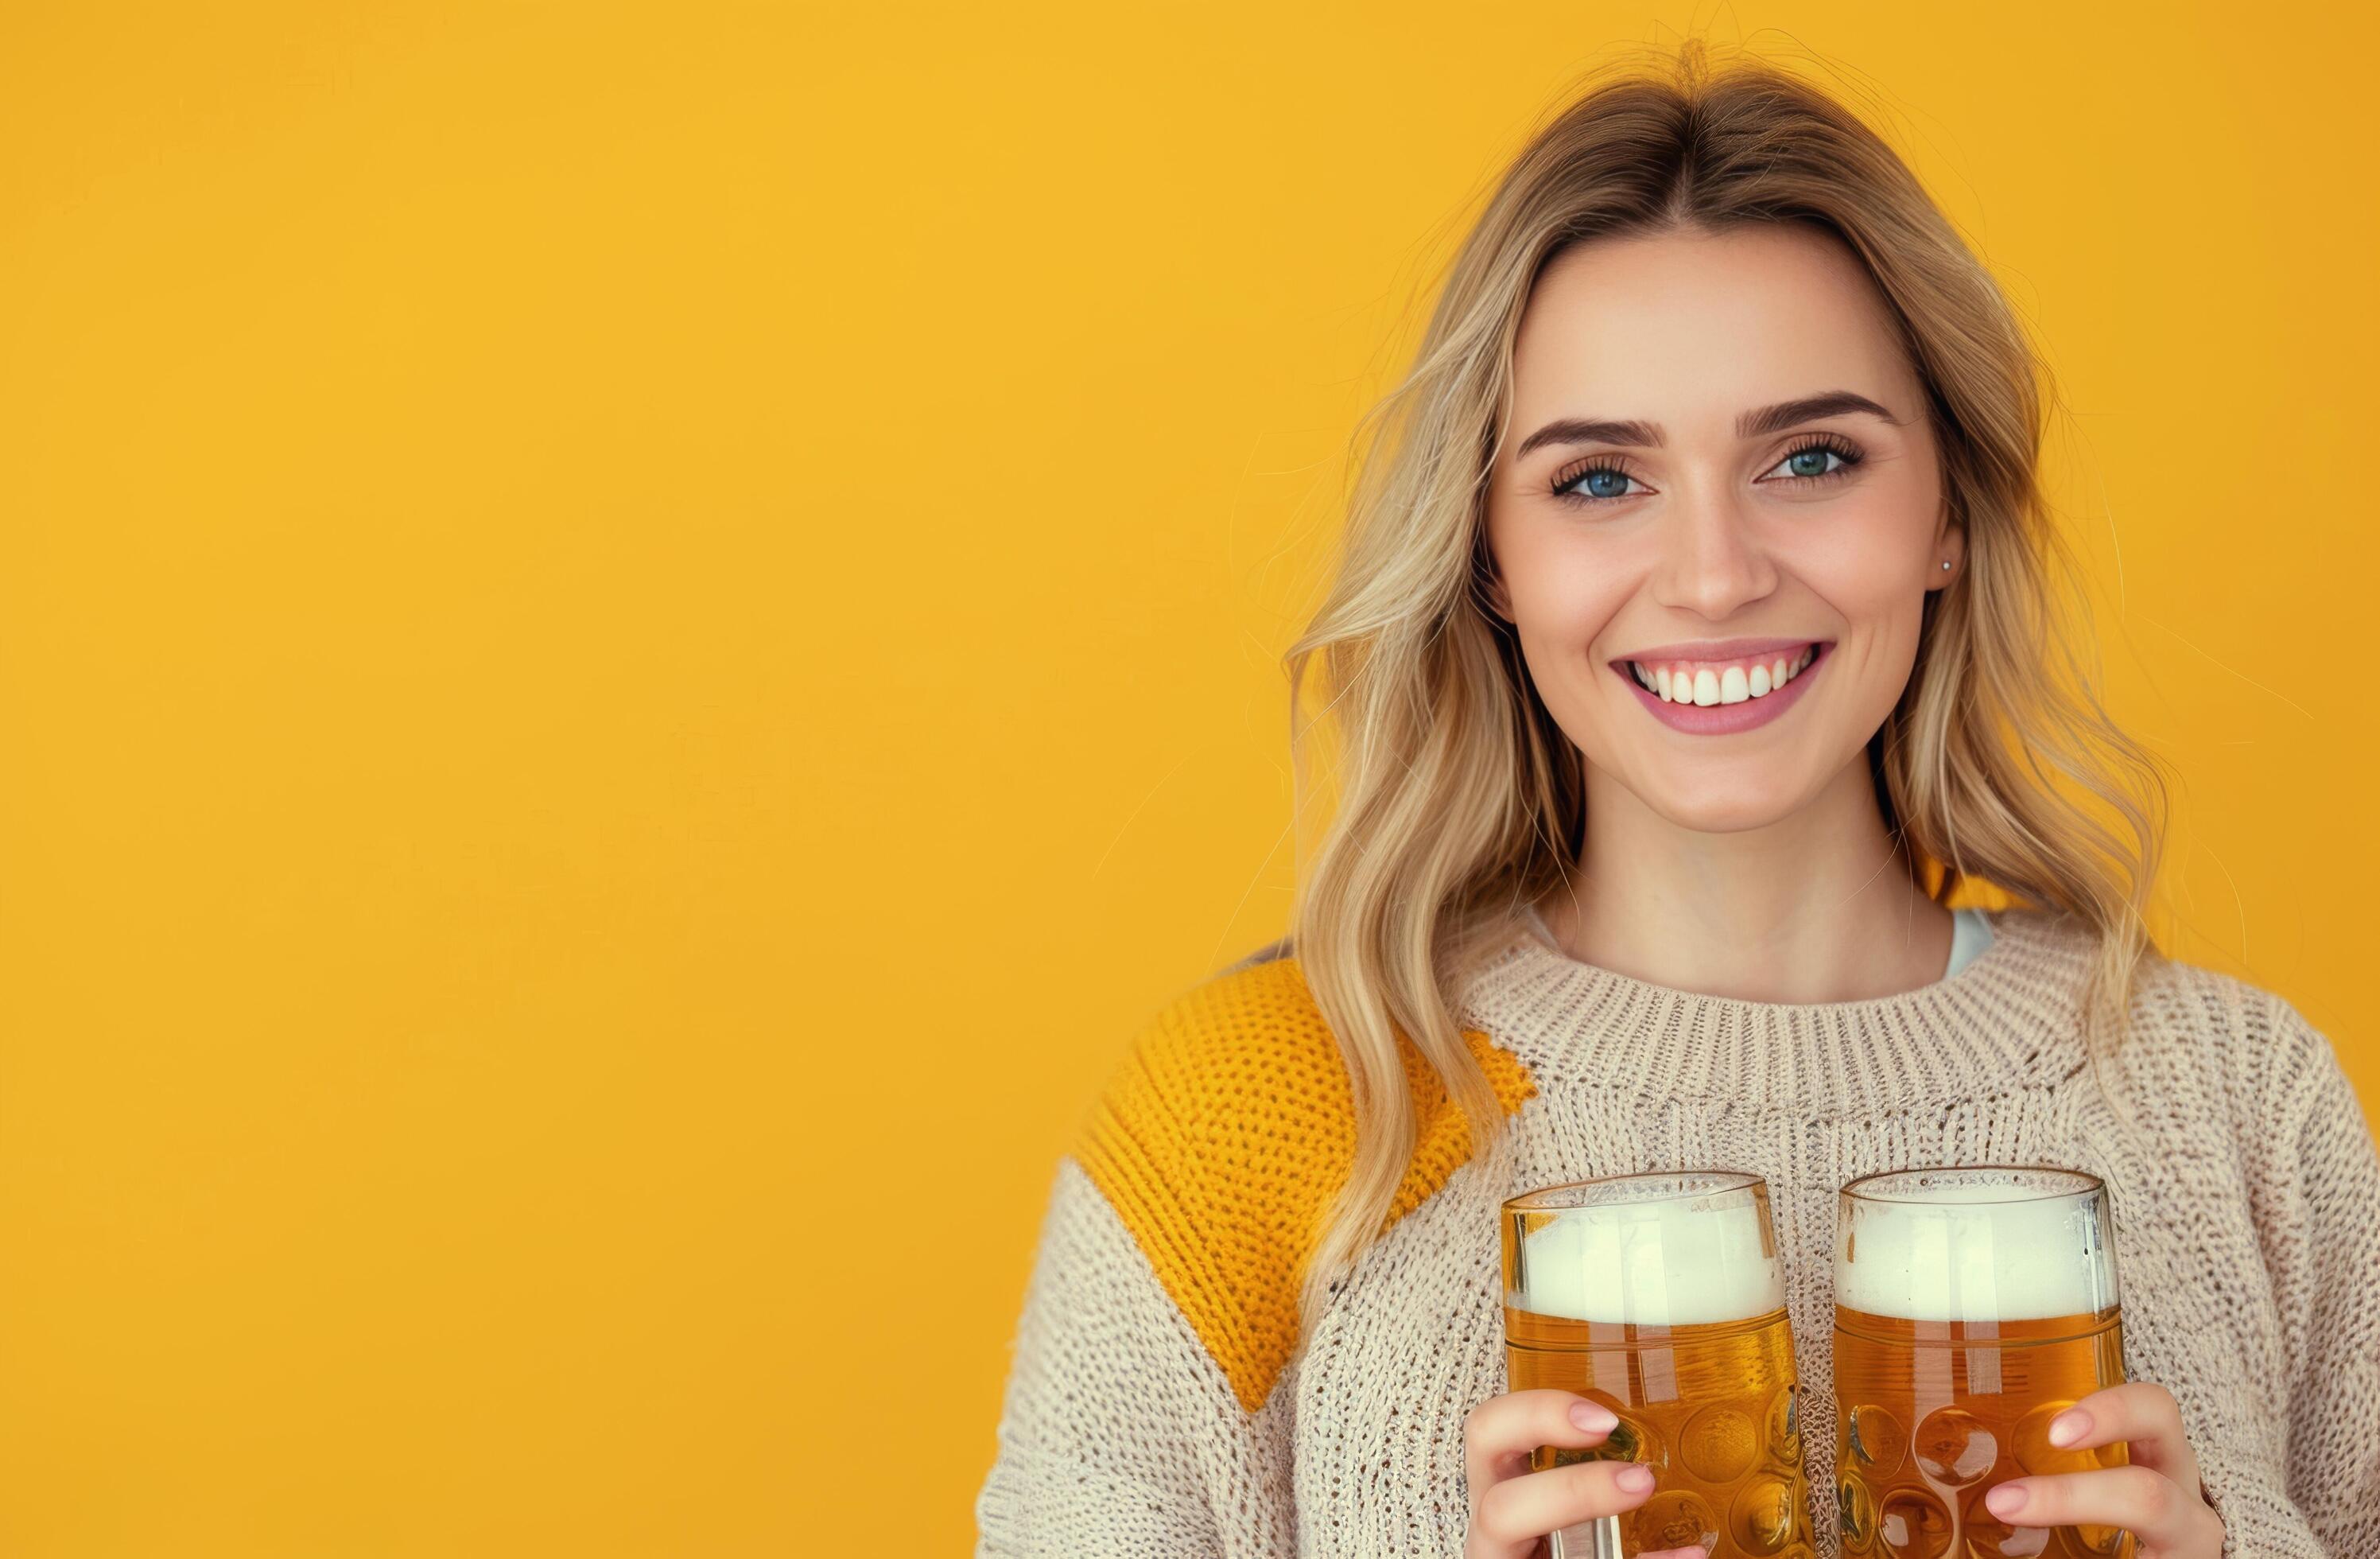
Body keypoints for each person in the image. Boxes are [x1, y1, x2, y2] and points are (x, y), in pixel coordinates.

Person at [974, 44, 2378, 1559]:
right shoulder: (1270, 1116)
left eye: (1811, 457)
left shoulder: (2238, 1108)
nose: (1713, 576)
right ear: (1490, 560)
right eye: (1596, 480)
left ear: (1947, 518)